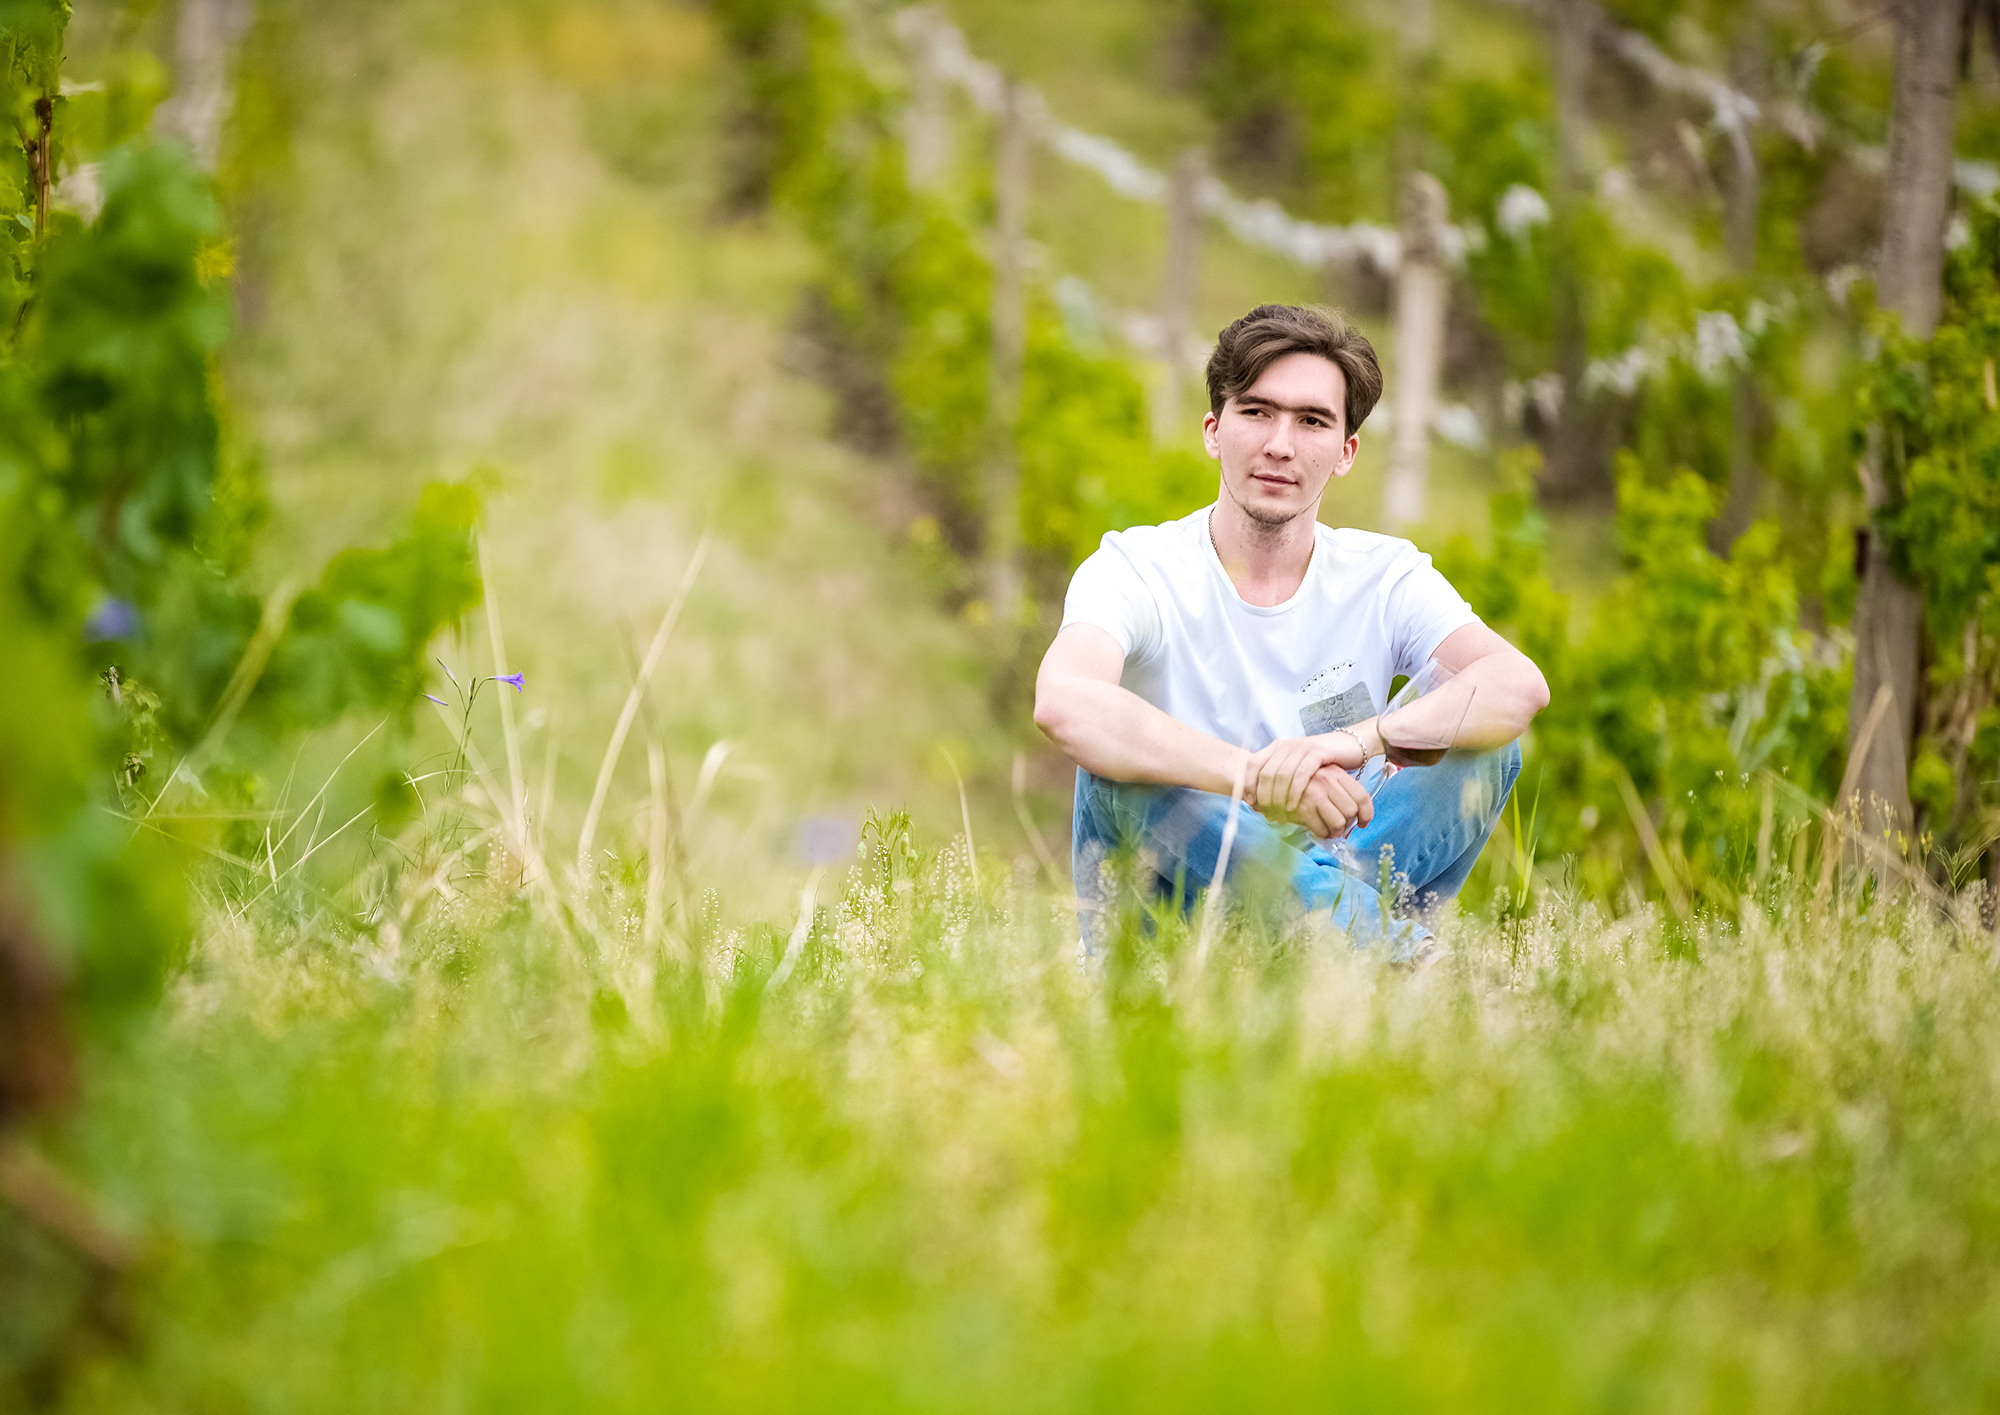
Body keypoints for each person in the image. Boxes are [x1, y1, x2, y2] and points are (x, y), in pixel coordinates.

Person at [1033, 304, 1550, 951]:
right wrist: (1256, 777)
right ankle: (1386, 949)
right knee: (1117, 768)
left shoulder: (1384, 574)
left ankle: (1326, 931)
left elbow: (1517, 685)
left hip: (1341, 857)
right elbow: (1065, 700)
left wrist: (1358, 741)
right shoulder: (1137, 566)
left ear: (1345, 451)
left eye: (1312, 421)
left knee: (1485, 743)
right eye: (1257, 411)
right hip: (1172, 915)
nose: (1280, 444)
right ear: (1214, 431)